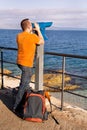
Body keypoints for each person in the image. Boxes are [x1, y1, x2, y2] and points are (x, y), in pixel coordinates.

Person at [13, 18, 44, 111]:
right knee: (23, 85)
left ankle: (26, 103)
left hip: (20, 62)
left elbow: (27, 39)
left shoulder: (19, 36)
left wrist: (30, 30)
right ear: (29, 26)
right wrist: (38, 30)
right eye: (31, 25)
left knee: (26, 85)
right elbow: (42, 41)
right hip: (27, 64)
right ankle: (16, 107)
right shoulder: (32, 37)